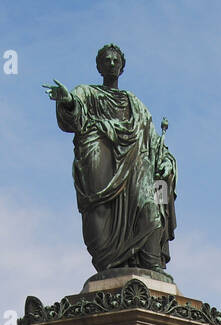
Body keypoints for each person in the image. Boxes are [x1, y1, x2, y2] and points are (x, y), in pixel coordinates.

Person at [44, 44, 177, 273]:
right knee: (99, 218)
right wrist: (68, 101)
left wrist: (166, 160)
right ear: (99, 66)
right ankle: (110, 263)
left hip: (137, 165)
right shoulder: (87, 93)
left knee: (152, 202)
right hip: (102, 162)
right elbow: (75, 120)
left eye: (116, 61)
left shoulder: (135, 104)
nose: (112, 64)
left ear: (122, 68)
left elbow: (153, 140)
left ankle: (151, 259)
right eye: (107, 60)